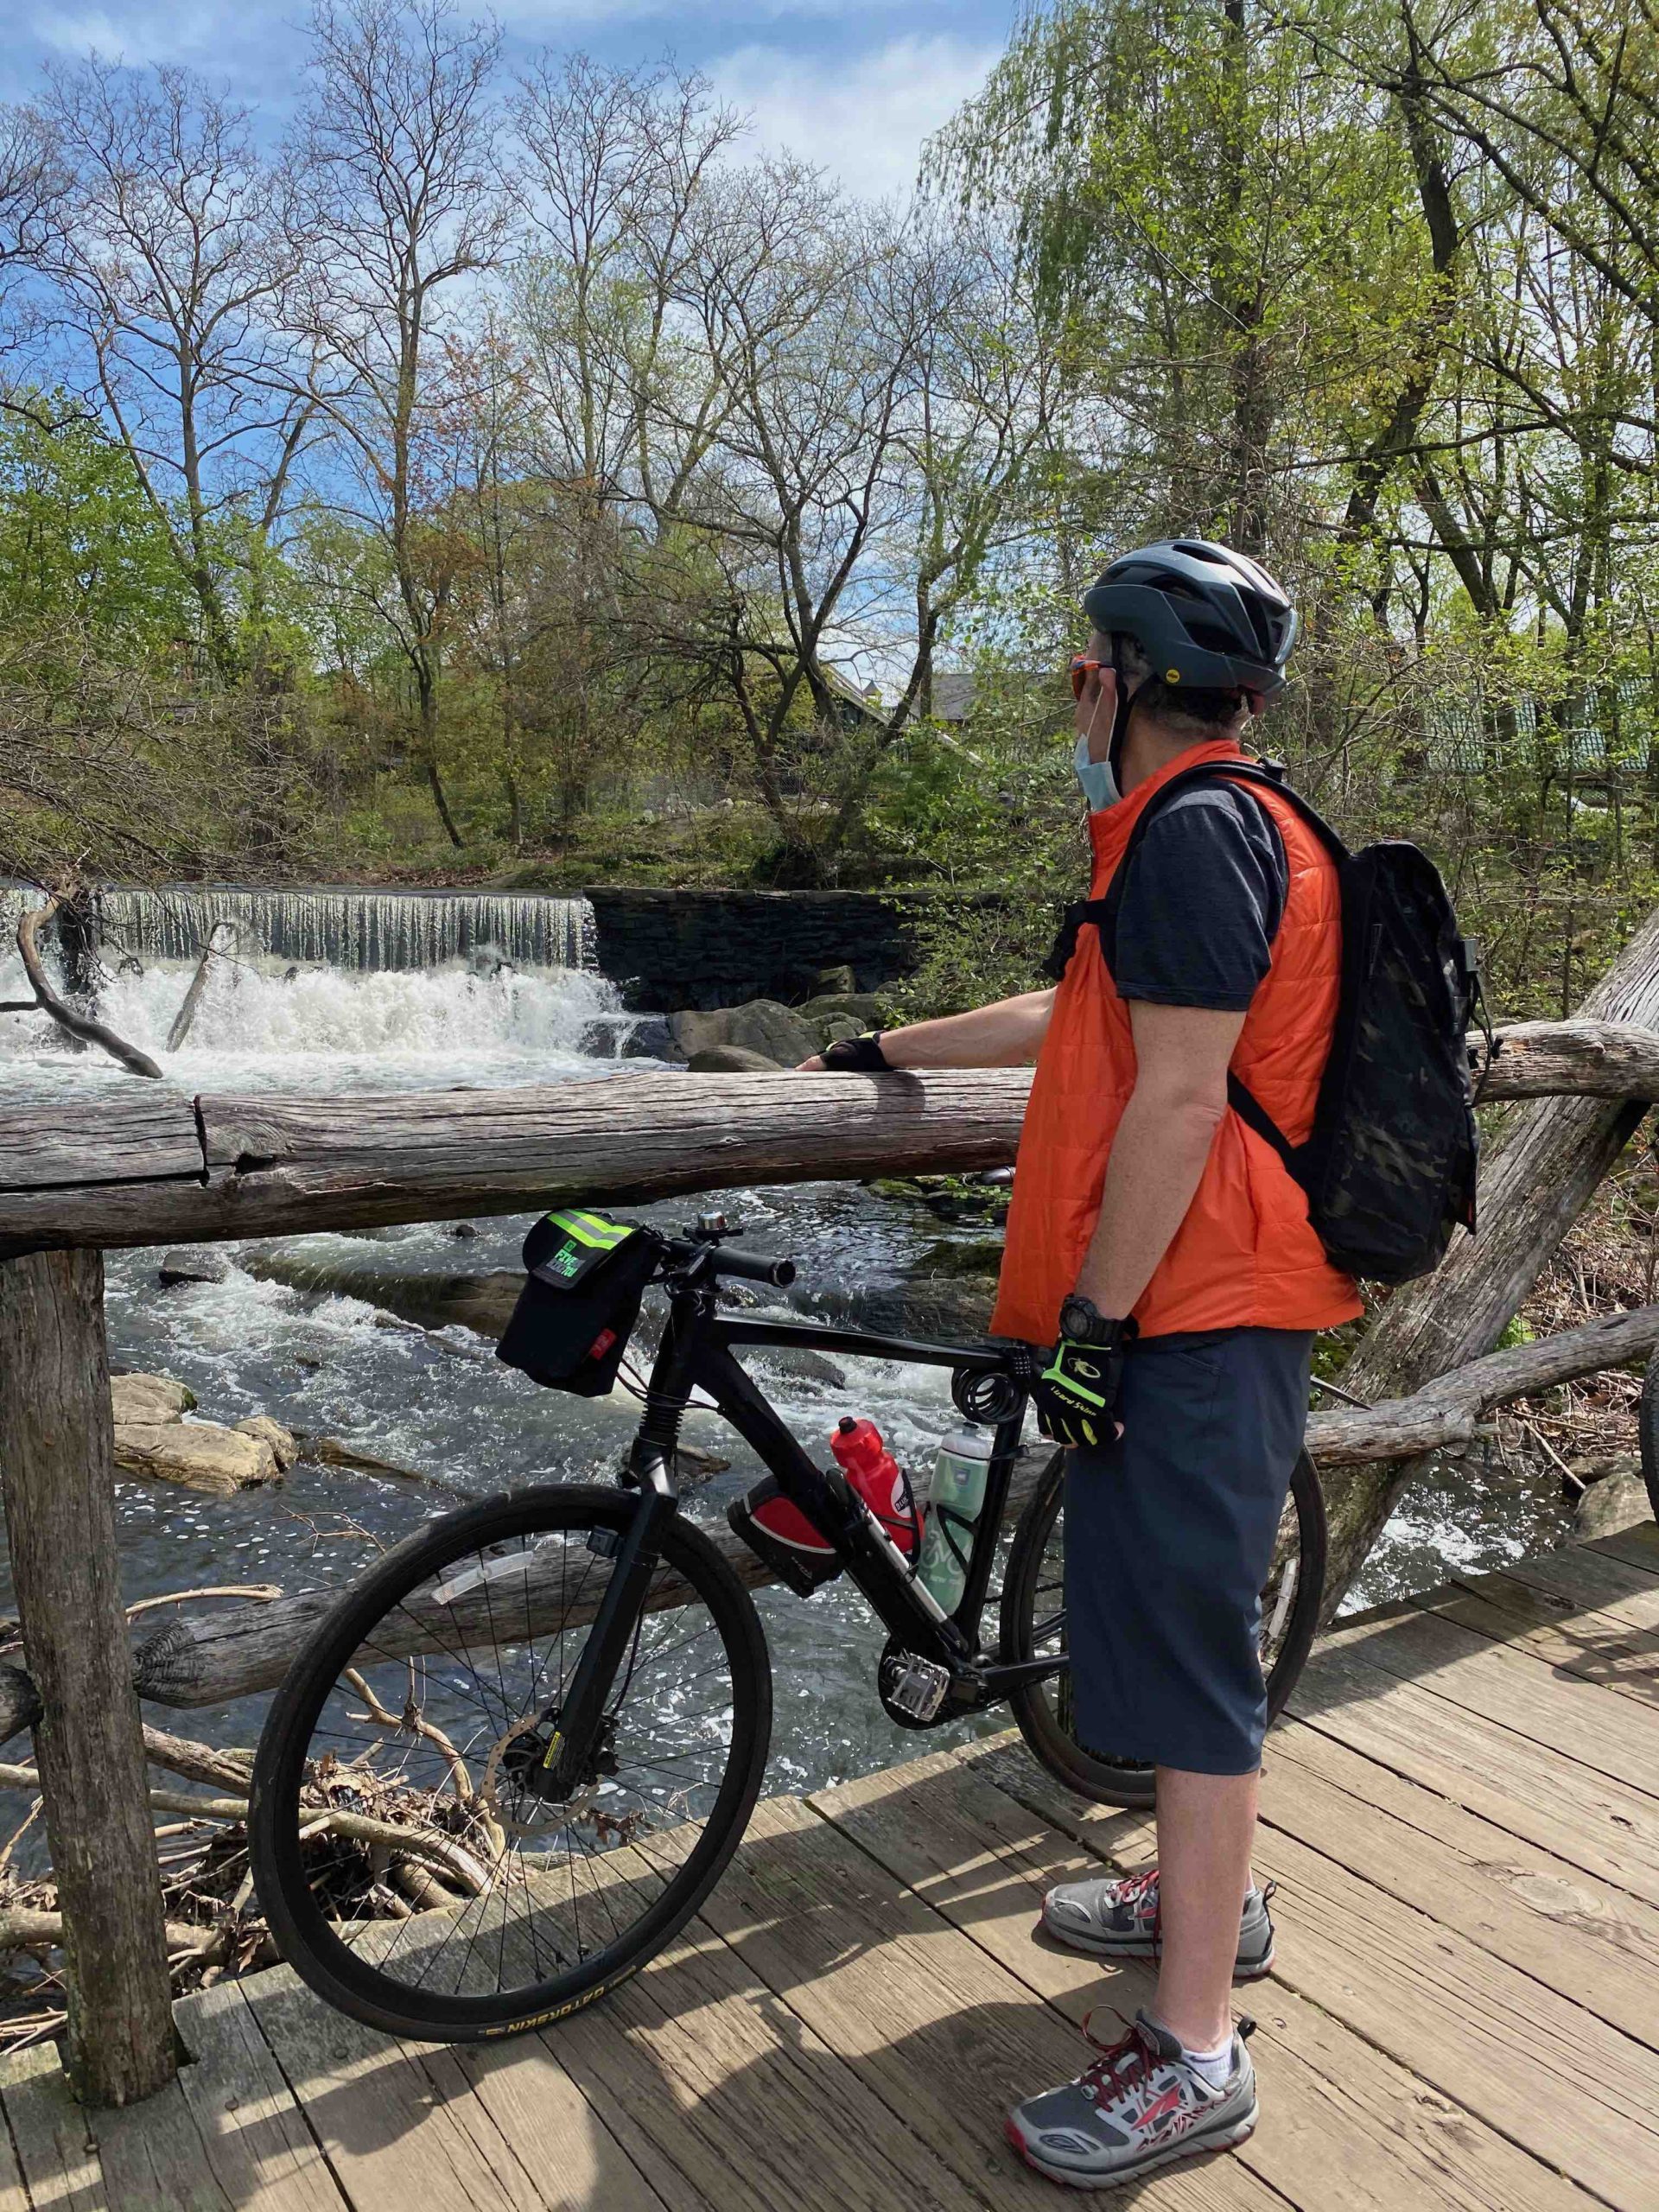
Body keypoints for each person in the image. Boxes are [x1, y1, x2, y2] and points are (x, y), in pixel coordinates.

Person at [803, 538, 1362, 2190]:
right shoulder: (1212, 828)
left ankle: (1197, 2054)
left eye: (1076, 669)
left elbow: (1182, 1101)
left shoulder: (1195, 837)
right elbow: (1084, 1017)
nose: (1071, 693)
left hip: (1197, 1305)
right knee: (1168, 1620)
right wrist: (880, 1052)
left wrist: (1096, 1332)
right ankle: (1209, 1902)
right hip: (1205, 1297)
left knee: (1190, 1656)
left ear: (1120, 679)